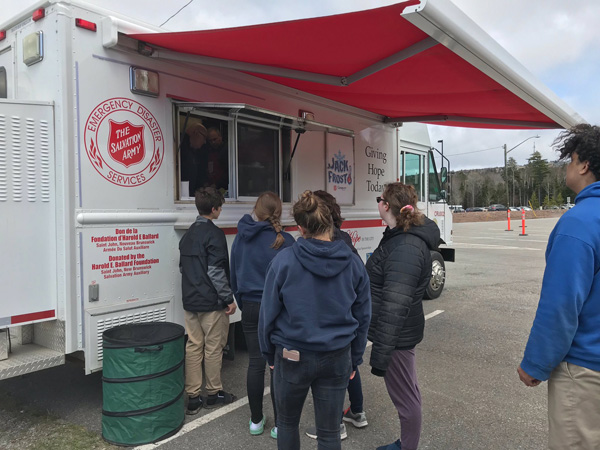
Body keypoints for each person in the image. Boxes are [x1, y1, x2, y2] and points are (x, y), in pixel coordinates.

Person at [259, 190, 371, 450]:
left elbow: (268, 314)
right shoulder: (354, 264)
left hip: (291, 355)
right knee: (330, 433)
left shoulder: (283, 262)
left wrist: (268, 355)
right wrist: (355, 358)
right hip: (337, 356)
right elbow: (363, 316)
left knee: (286, 424)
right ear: (330, 223)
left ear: (300, 228)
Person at [518, 124, 600, 450]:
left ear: (583, 165)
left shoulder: (579, 223)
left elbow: (561, 304)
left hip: (584, 372)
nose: (566, 166)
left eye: (569, 160)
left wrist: (535, 363)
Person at [367, 182, 440, 450]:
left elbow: (395, 304)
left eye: (379, 198)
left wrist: (381, 353)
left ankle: (407, 447)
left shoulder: (406, 245)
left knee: (406, 399)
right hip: (399, 333)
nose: (378, 203)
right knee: (408, 392)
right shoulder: (398, 235)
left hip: (397, 336)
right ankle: (406, 443)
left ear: (386, 205)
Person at [230, 192, 295, 438]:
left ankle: (256, 421)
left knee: (255, 363)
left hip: (250, 307)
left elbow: (233, 275)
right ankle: (280, 425)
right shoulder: (287, 241)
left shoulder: (241, 238)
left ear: (256, 210)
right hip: (277, 310)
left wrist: (242, 302)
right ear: (279, 212)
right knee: (277, 366)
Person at [305, 190, 366, 442]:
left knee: (333, 374)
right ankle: (358, 412)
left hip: (330, 319)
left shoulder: (320, 244)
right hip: (349, 317)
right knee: (349, 366)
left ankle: (336, 423)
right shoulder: (346, 241)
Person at [179, 187, 237, 414]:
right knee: (213, 348)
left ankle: (193, 398)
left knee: (193, 347)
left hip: (190, 301)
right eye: (220, 207)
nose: (221, 210)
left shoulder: (188, 234)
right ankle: (213, 393)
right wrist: (228, 299)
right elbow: (216, 272)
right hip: (212, 302)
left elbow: (183, 268)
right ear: (213, 209)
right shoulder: (215, 234)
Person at [180, 123, 209, 196]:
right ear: (196, 133)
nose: (205, 142)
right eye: (204, 137)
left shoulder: (193, 150)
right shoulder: (180, 146)